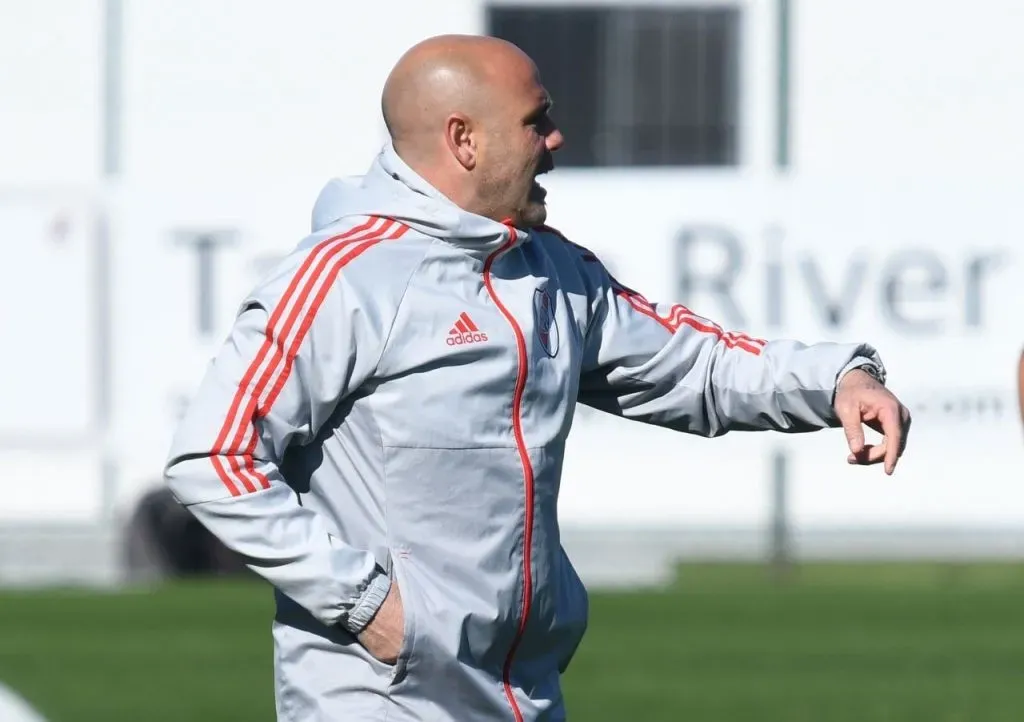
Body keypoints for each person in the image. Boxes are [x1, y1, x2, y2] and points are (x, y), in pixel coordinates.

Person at [163, 33, 911, 722]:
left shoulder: (547, 267)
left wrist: (837, 380)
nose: (556, 140)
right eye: (536, 121)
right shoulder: (343, 279)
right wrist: (367, 604)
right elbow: (213, 457)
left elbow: (693, 363)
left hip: (525, 695)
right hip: (381, 698)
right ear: (463, 139)